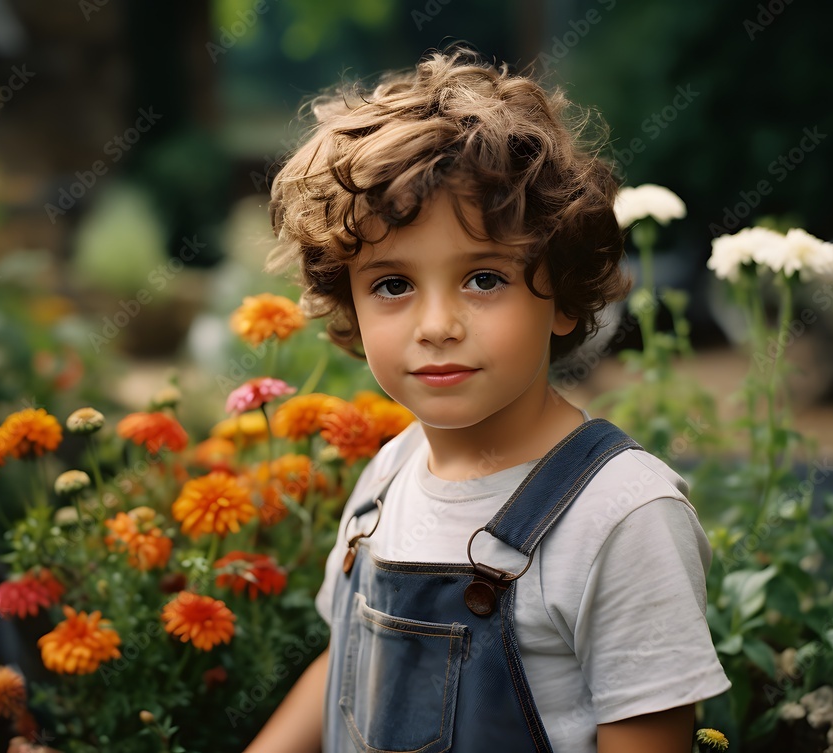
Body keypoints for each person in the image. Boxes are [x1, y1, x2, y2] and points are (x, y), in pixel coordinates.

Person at [244, 45, 730, 753]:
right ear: (348, 305)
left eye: (483, 279)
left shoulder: (621, 517)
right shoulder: (386, 479)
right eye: (392, 284)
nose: (437, 325)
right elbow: (344, 672)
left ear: (562, 296)